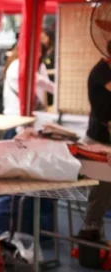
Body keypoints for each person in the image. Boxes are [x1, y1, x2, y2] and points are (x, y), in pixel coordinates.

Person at [78, 41, 111, 243]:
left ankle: (94, 231)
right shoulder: (100, 73)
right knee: (101, 192)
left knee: (105, 193)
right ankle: (90, 233)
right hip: (99, 142)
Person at [2, 48, 54, 118]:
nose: (39, 54)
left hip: (33, 114)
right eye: (37, 51)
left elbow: (44, 89)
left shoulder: (40, 66)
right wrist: (60, 91)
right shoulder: (17, 65)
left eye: (40, 51)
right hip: (15, 113)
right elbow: (42, 82)